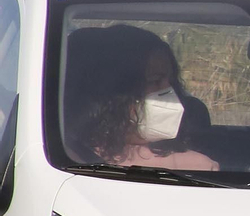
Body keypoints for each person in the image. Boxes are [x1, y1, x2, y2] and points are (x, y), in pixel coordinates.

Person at [63, 25, 219, 171]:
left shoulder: (198, 167)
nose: (168, 92)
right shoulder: (65, 157)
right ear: (115, 92)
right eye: (155, 81)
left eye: (171, 82)